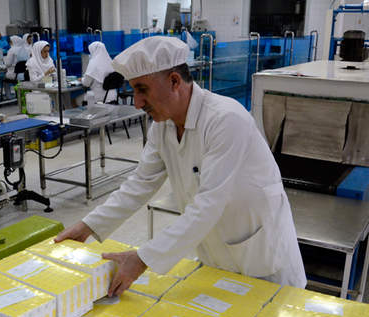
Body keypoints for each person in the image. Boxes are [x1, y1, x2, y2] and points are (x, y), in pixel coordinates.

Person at [54, 36, 306, 297]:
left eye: (142, 89)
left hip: (263, 256)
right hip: (216, 253)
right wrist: (88, 225)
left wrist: (142, 259)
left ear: (174, 81)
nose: (137, 102)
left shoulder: (226, 119)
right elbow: (139, 184)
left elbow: (209, 203)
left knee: (268, 316)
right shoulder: (163, 126)